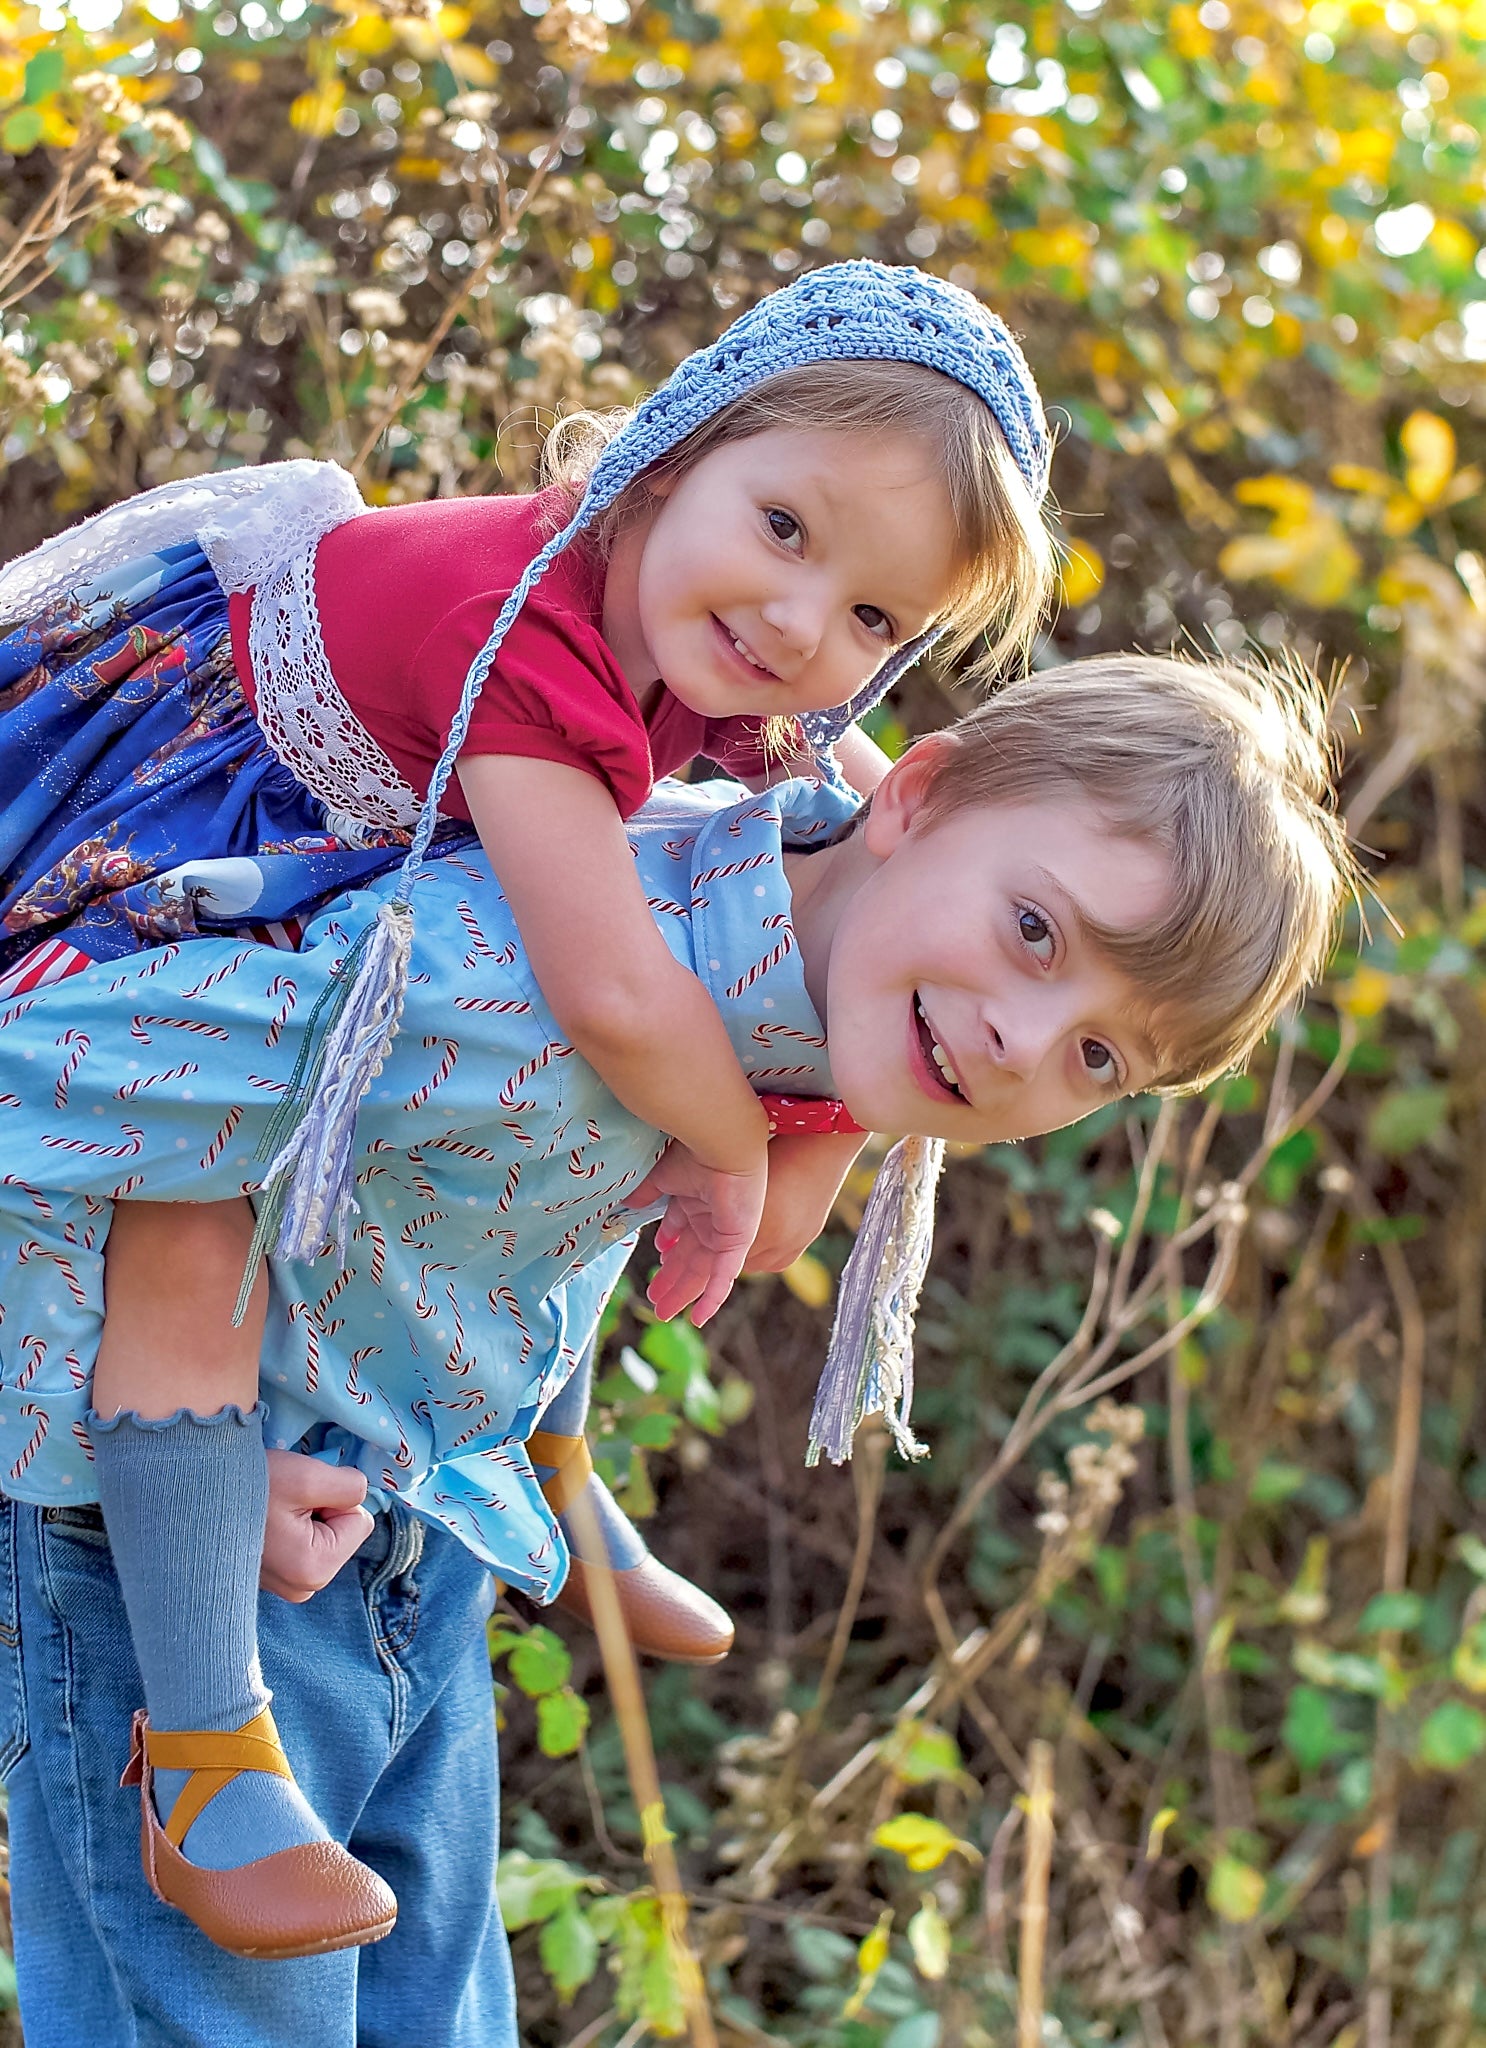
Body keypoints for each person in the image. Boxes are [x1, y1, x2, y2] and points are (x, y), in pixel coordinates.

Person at [0, 653, 1354, 2037]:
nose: (1024, 1042)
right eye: (1032, 930)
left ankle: (552, 1467)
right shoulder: (502, 972)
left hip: (414, 1539)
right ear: (924, 798)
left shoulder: (798, 979)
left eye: (1099, 1062)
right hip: (185, 1572)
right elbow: (50, 1097)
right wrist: (133, 1479)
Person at [0, 260, 1058, 1954]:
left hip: (357, 880)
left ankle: (546, 1469)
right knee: (192, 1223)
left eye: (873, 618)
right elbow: (612, 991)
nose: (801, 630)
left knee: (599, 1087)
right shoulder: (532, 617)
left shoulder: (718, 643)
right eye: (784, 529)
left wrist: (864, 1042)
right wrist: (731, 1150)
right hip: (181, 857)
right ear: (666, 455)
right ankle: (203, 1754)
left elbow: (867, 820)